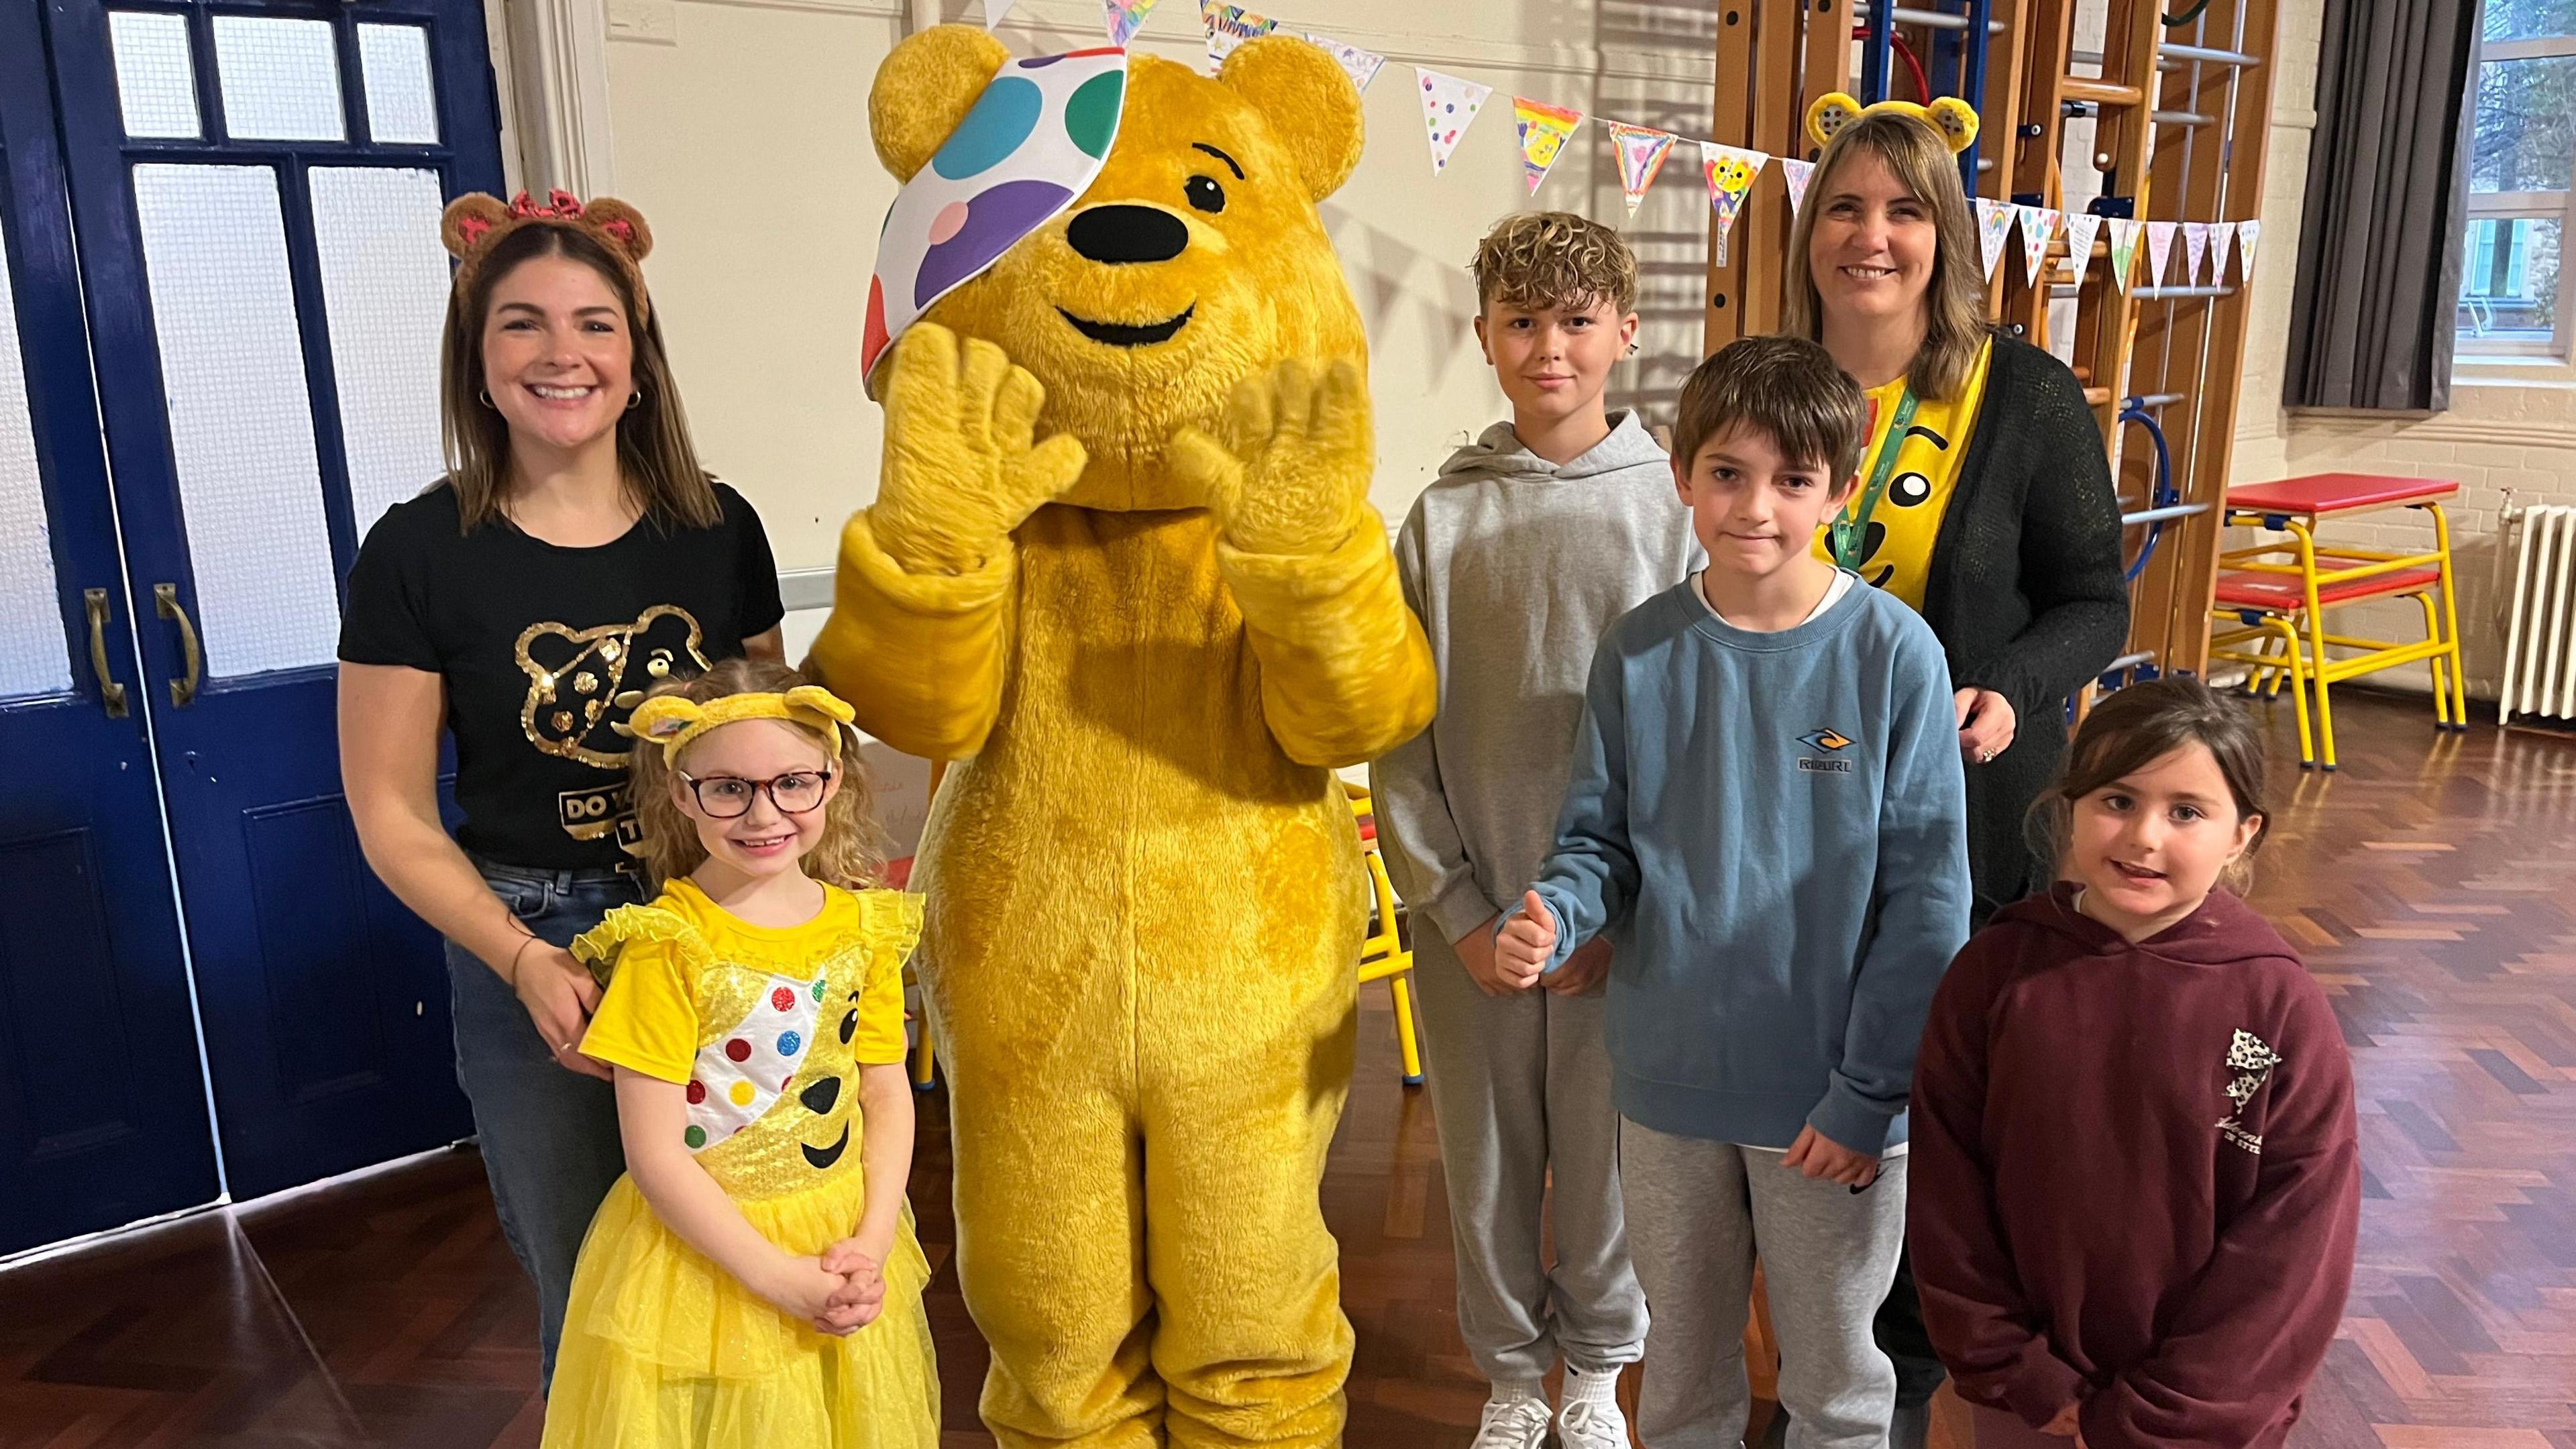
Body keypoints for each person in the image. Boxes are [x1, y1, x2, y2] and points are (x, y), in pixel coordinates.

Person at [1493, 335, 1973, 1448]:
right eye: (1728, 473)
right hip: (1668, 1092)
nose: (1756, 506)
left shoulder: (1896, 654)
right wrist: (1555, 912)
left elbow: (1929, 907)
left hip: (1832, 1106)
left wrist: (1868, 1095)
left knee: (1838, 1389)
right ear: (1681, 476)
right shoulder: (1641, 651)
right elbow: (1598, 842)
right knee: (1687, 1380)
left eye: (1793, 479)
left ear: (1841, 489)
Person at [338, 191, 784, 1387]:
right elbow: (388, 811)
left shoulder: (718, 527)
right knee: (595, 1287)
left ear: (638, 358)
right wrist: (522, 957)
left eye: (594, 323)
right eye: (521, 324)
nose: (561, 354)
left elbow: (770, 755)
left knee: (758, 1247)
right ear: (477, 360)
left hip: (719, 924)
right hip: (534, 938)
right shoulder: (417, 551)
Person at [1785, 108, 2131, 1438]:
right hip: (1797, 822)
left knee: (1936, 1115)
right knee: (1813, 1108)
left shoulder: (2024, 394)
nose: (1872, 237)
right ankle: (1820, 1373)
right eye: (1846, 209)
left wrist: (2015, 688)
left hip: (1970, 820)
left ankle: (1902, 1386)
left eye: (1905, 211)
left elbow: (2095, 600)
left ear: (1947, 238)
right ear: (1810, 231)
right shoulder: (1769, 379)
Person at [1371, 211, 1695, 1449]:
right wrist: (1456, 911)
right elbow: (1398, 739)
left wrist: (1627, 907)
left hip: (1622, 928)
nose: (1549, 347)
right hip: (1477, 925)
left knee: (1610, 1164)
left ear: (1623, 331)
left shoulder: (1675, 516)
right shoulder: (1441, 523)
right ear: (1486, 340)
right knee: (1489, 1164)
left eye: (1575, 321)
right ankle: (1512, 1375)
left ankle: (1599, 1372)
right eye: (1522, 323)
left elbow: (1691, 734)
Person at [1907, 676, 2360, 1448]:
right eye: (2117, 801)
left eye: (2186, 812)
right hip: (2028, 1401)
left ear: (2243, 833)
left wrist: (2169, 1409)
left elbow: (2297, 1241)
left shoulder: (2276, 1005)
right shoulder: (1995, 974)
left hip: (2201, 1419)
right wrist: (2016, 1369)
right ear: (2071, 805)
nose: (2144, 837)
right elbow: (1947, 1195)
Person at [541, 661, 938, 1447]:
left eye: (793, 782)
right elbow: (654, 1153)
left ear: (833, 783)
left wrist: (876, 1237)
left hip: (843, 1233)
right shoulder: (667, 947)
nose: (764, 813)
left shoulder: (869, 931)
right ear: (683, 795)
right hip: (708, 1260)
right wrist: (774, 1278)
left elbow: (886, 1092)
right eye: (729, 788)